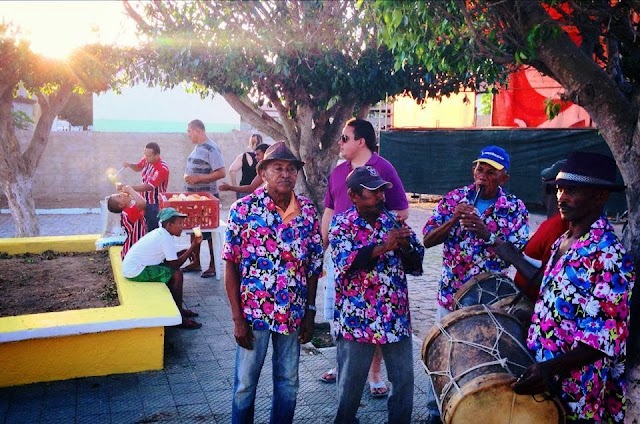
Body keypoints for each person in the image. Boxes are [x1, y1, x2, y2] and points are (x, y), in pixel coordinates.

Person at [513, 151, 635, 423]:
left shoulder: (609, 257)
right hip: (543, 374)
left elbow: (603, 340)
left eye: (572, 190)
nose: (561, 197)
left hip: (576, 389)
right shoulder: (563, 240)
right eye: (559, 188)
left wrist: (549, 369)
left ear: (600, 196)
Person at [222, 141, 323, 424]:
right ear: (263, 172)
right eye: (277, 168)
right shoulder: (243, 210)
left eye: (291, 169)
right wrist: (237, 319)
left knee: (288, 382)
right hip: (254, 316)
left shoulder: (307, 212)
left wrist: (310, 311)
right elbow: (231, 265)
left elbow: (314, 265)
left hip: (293, 313)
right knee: (245, 384)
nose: (286, 174)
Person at [320, 118, 409, 396]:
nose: (340, 143)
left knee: (379, 319)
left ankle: (374, 372)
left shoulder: (383, 169)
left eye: (345, 138)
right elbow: (329, 211)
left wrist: (375, 237)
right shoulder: (338, 173)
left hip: (379, 267)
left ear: (361, 141)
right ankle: (344, 364)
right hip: (344, 258)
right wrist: (322, 251)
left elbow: (402, 210)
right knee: (340, 312)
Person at [329, 166, 424, 423]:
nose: (381, 196)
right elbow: (345, 261)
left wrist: (405, 247)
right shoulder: (342, 223)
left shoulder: (393, 221)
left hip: (395, 316)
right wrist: (384, 247)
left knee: (404, 380)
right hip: (356, 318)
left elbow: (416, 265)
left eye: (382, 190)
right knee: (350, 384)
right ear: (354, 195)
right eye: (373, 192)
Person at [422, 145, 529, 318]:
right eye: (480, 170)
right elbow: (427, 241)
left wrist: (487, 234)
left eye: (491, 173)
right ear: (473, 171)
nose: (483, 177)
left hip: (491, 300)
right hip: (451, 296)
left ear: (504, 179)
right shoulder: (453, 198)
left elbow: (517, 254)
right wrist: (453, 220)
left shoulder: (515, 208)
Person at [497, 159, 570, 300]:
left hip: (532, 306)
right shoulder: (555, 224)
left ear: (548, 189)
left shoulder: (558, 227)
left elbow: (546, 280)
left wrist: (513, 257)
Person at [121, 207, 203, 329]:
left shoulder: (161, 233)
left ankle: (176, 308)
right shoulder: (165, 237)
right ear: (169, 225)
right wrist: (192, 246)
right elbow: (174, 265)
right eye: (179, 223)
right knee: (177, 275)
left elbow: (169, 260)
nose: (182, 227)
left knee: (171, 272)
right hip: (137, 271)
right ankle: (179, 317)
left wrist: (185, 251)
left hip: (136, 267)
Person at [182, 119, 226, 278]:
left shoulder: (211, 148)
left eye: (189, 131)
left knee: (209, 232)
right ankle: (196, 262)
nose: (188, 135)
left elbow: (221, 173)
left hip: (207, 200)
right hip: (195, 200)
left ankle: (214, 265)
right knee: (195, 231)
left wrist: (199, 178)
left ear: (197, 130)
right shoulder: (197, 148)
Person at [121, 142, 169, 232]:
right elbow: (138, 167)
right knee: (144, 227)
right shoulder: (146, 160)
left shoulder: (162, 168)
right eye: (145, 154)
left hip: (155, 204)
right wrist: (130, 165)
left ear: (157, 155)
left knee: (153, 230)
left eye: (149, 155)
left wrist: (130, 188)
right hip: (144, 201)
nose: (146, 157)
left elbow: (149, 187)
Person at [106, 184, 147, 259]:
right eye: (119, 196)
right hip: (134, 253)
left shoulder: (130, 210)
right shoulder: (128, 213)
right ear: (121, 204)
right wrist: (131, 190)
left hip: (136, 250)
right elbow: (142, 203)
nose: (122, 193)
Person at [227, 133, 263, 199]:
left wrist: (235, 187)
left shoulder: (243, 156)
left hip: (244, 190)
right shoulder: (265, 158)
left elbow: (232, 170)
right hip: (260, 191)